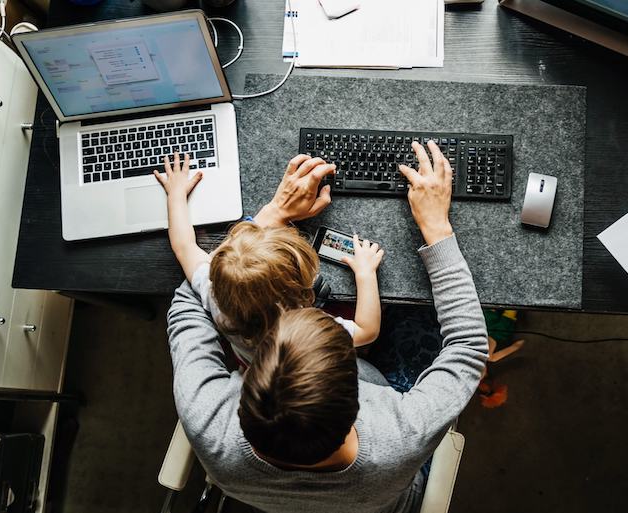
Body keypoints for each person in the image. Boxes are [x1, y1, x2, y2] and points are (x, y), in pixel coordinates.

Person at [165, 140, 489, 512]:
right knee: (419, 320)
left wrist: (268, 220)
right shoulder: (400, 435)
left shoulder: (206, 421)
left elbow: (191, 296)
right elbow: (467, 347)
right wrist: (436, 227)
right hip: (389, 498)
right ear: (358, 401)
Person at [154, 153, 384, 365]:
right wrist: (365, 274)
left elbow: (184, 246)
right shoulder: (308, 330)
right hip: (302, 360)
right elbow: (367, 330)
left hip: (253, 360)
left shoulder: (214, 292)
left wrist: (175, 195)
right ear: (304, 293)